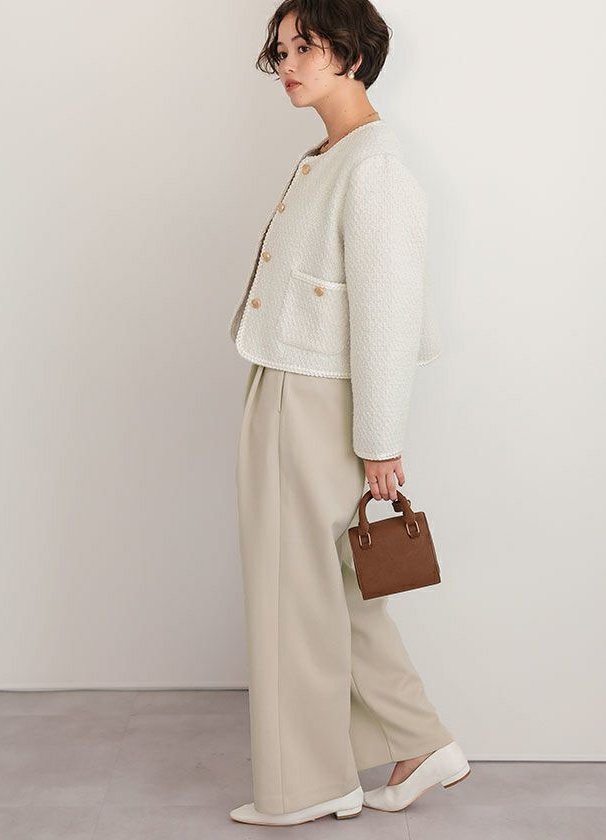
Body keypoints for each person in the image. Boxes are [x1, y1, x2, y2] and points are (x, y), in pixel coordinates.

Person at [226, 0, 470, 827]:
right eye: (281, 50)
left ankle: (309, 783)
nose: (288, 64)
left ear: (354, 54)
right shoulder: (330, 156)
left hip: (313, 398)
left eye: (307, 46)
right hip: (293, 382)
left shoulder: (375, 166)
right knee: (339, 585)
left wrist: (381, 443)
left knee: (294, 589)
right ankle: (418, 742)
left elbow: (388, 318)